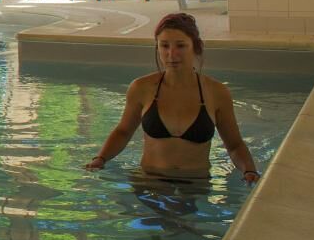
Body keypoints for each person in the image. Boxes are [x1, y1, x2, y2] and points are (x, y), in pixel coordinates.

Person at [85, 13, 260, 183]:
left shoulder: (216, 93)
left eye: (180, 46)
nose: (171, 54)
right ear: (157, 47)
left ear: (196, 47)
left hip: (195, 185)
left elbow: (235, 145)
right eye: (164, 46)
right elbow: (123, 132)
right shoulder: (141, 88)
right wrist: (100, 158)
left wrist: (249, 170)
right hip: (149, 182)